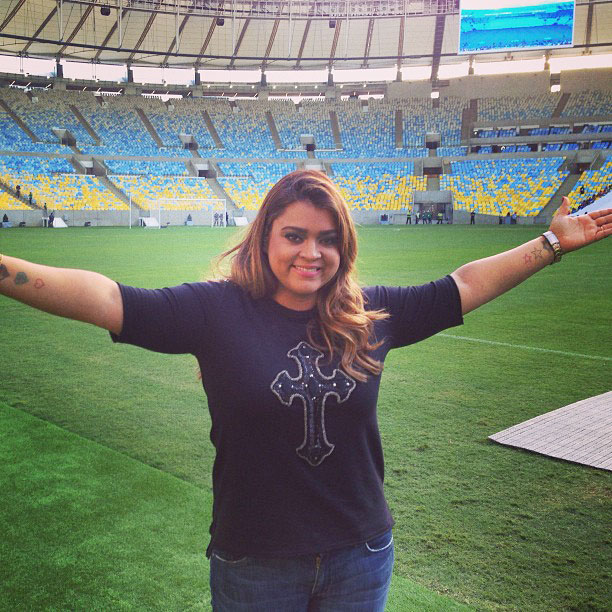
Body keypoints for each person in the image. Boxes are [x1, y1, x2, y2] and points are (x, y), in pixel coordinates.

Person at [0, 170, 610, 611]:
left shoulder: (369, 315)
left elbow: (461, 287)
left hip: (360, 553)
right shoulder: (214, 311)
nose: (311, 252)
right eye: (294, 235)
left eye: (328, 238)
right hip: (255, 563)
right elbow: (109, 299)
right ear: (265, 237)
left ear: (344, 247)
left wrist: (552, 243)